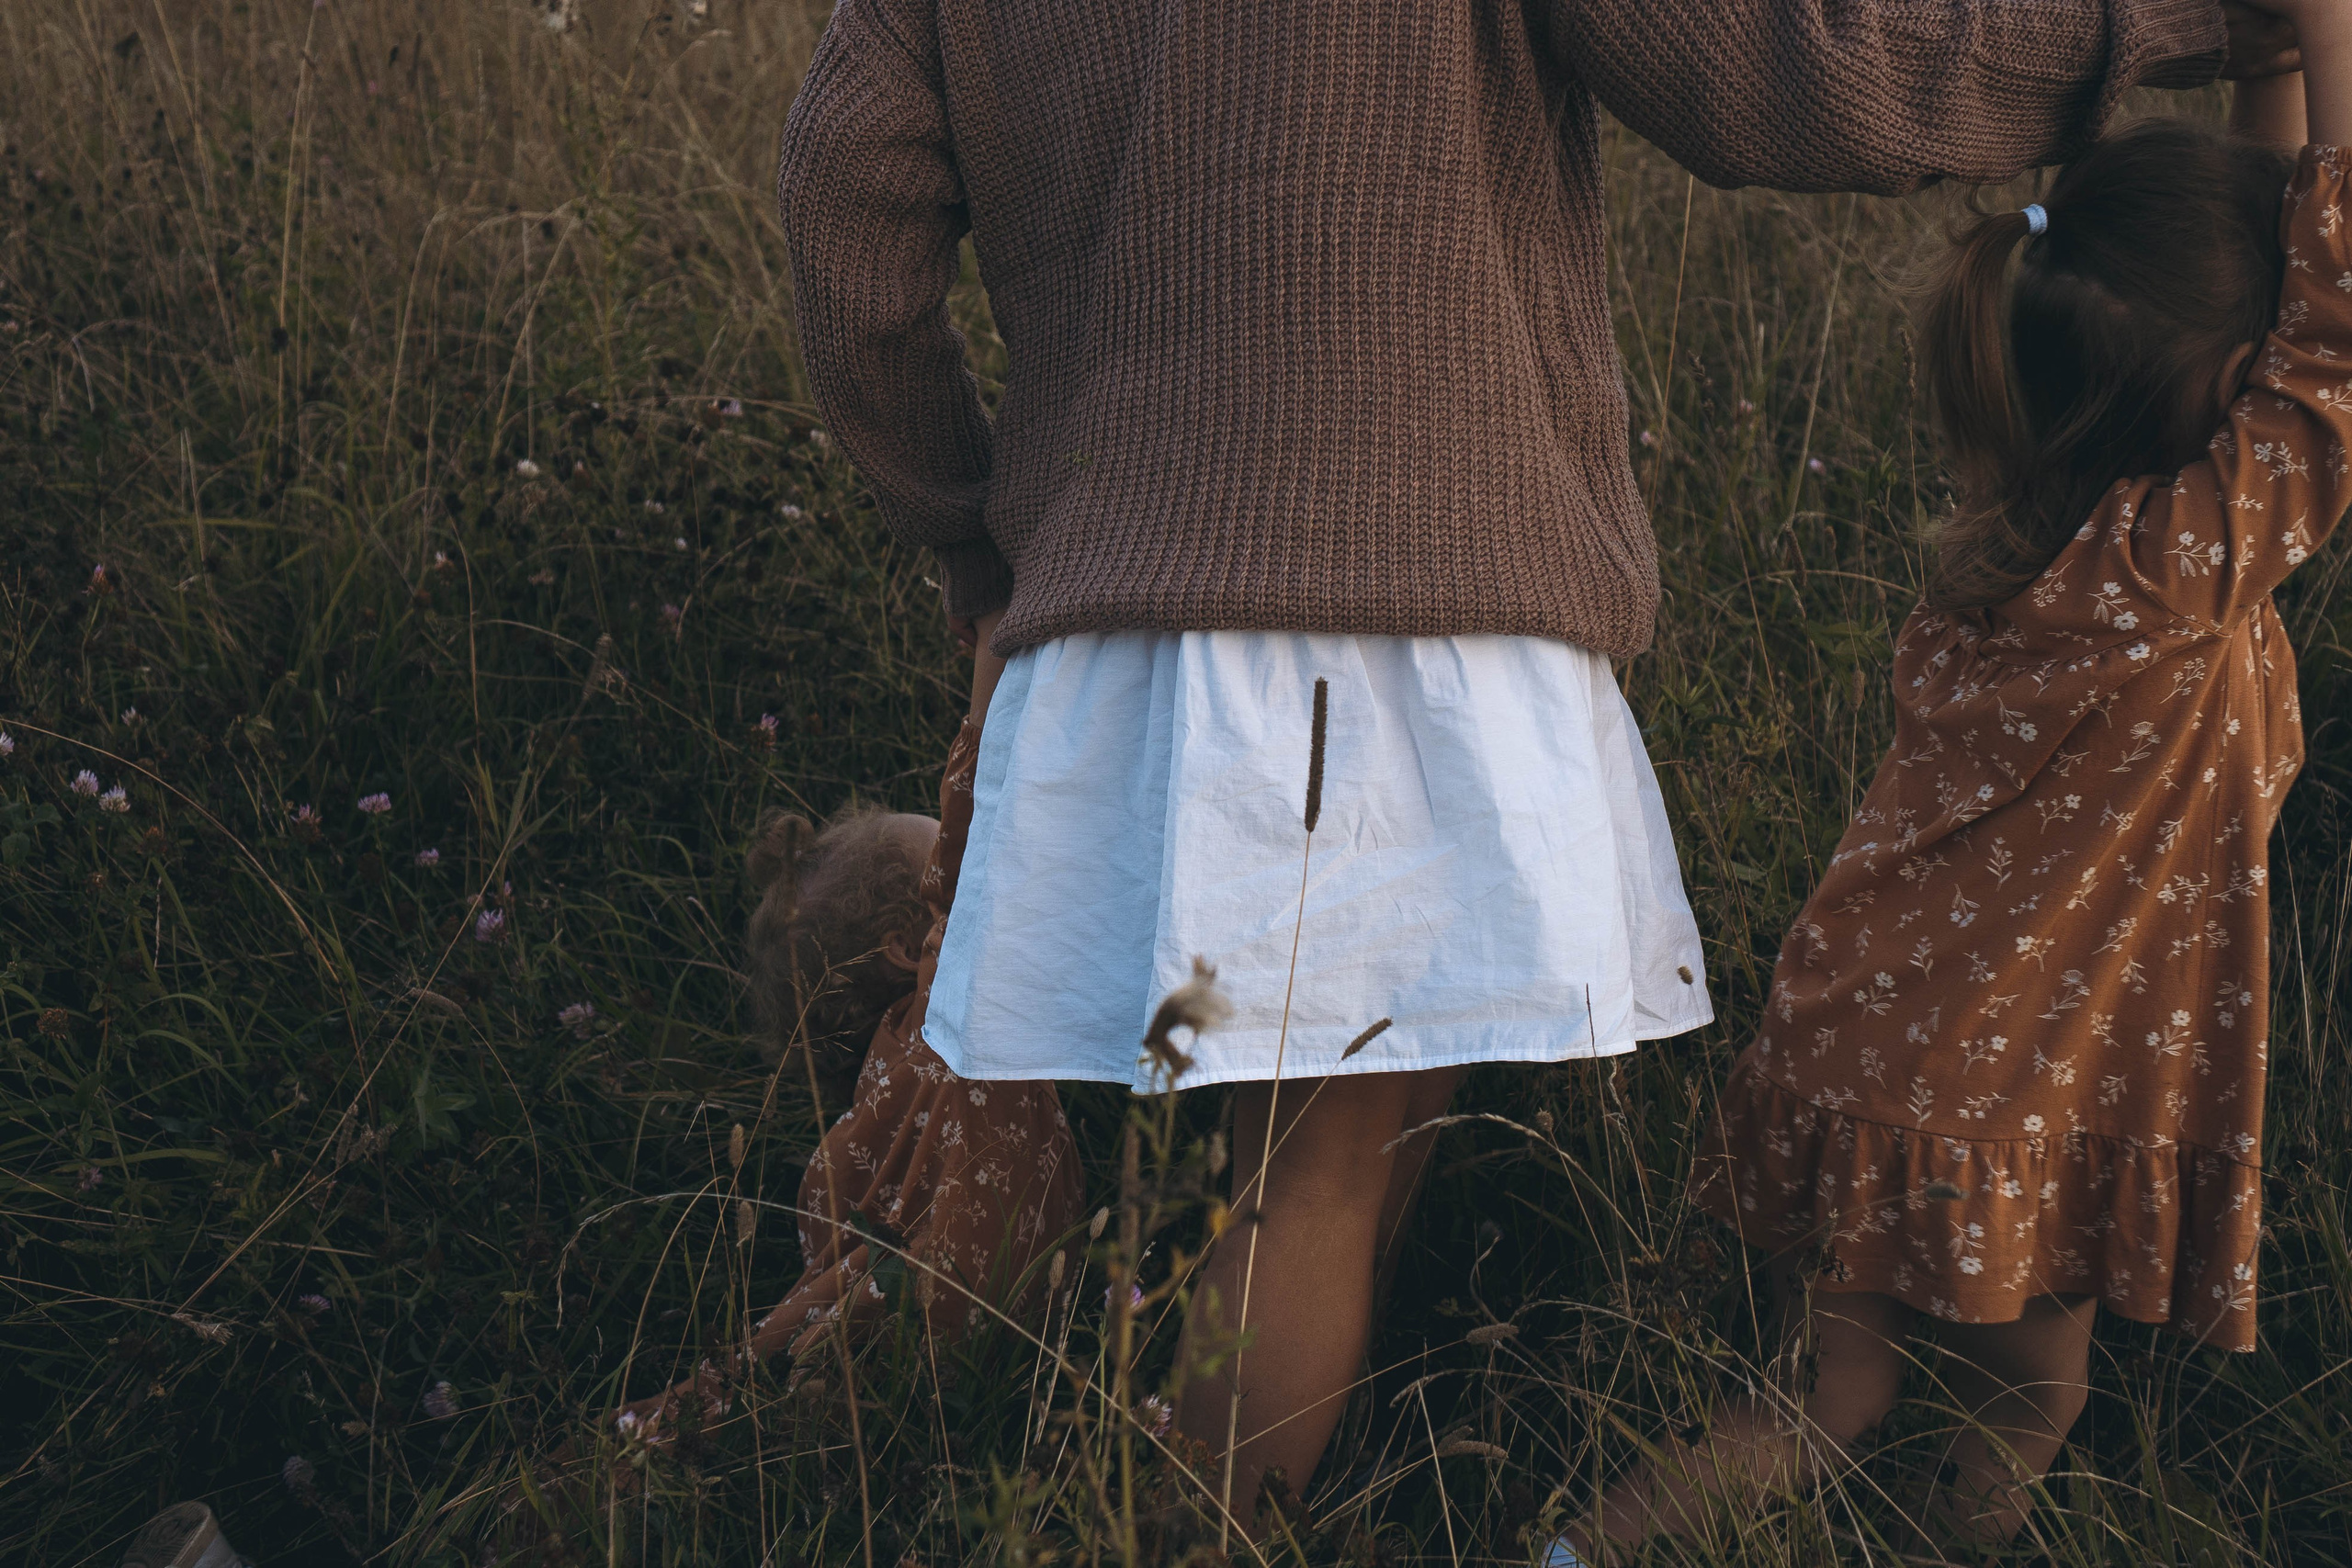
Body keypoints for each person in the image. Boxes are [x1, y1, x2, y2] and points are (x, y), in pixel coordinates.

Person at [776, 0, 2300, 1528]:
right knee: (1306, 1181)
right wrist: (2194, 23)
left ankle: (1281, 1495)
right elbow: (1797, 73)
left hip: (1115, 599)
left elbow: (845, 211)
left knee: (1313, 1159)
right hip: (1412, 598)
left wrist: (970, 526)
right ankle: (1193, 1533)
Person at [1567, 17, 2348, 1560]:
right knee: (2021, 1406)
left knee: (1813, 1404)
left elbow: (2271, 318)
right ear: (2229, 386)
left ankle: (1570, 1550)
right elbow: (2335, 360)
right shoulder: (2173, 579)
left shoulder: (2020, 542)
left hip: (1864, 1041)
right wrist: (2329, 28)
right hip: (2007, 1095)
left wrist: (2272, 62)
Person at [616, 692, 1082, 1442]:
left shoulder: (901, 1058)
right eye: (950, 865)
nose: (974, 866)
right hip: (966, 1302)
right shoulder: (946, 997)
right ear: (910, 946)